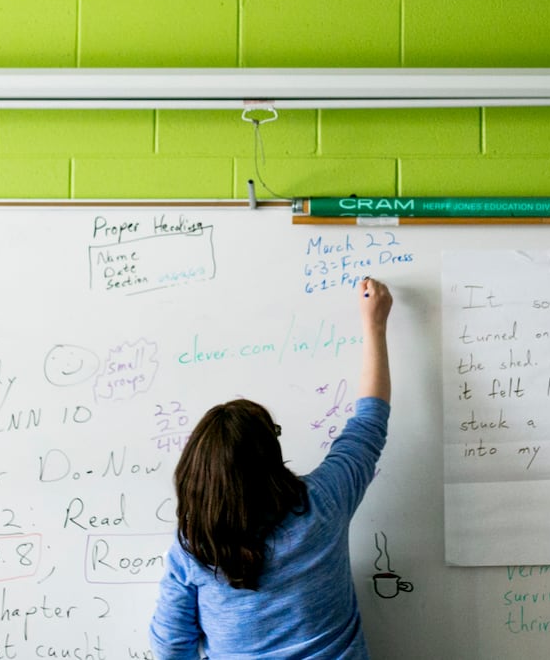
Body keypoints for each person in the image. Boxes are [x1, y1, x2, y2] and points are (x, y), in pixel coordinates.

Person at [149, 276, 394, 660]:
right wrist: (374, 325)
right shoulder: (323, 504)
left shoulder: (194, 550)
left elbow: (170, 647)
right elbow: (369, 424)